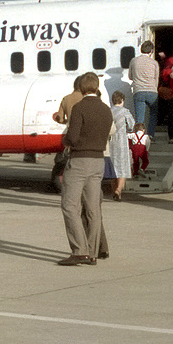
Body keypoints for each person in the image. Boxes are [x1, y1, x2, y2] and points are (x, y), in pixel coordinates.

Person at [58, 72, 114, 266]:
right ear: (97, 87)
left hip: (80, 160)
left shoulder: (79, 108)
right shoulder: (106, 110)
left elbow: (72, 138)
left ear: (81, 88)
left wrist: (63, 140)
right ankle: (92, 252)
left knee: (70, 205)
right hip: (98, 161)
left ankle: (78, 250)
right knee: (93, 209)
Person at [49, 76, 85, 191]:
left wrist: (66, 121)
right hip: (83, 133)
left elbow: (59, 118)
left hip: (70, 132)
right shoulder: (85, 99)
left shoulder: (66, 99)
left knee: (63, 158)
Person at [128, 40, 159, 139]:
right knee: (153, 114)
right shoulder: (154, 63)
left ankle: (139, 136)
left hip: (139, 91)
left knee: (139, 117)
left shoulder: (134, 61)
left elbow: (130, 76)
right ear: (151, 51)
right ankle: (150, 135)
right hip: (152, 91)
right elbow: (156, 78)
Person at [107, 91, 134, 200]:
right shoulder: (125, 112)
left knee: (113, 167)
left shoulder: (108, 111)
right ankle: (119, 191)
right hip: (122, 141)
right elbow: (132, 125)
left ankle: (115, 191)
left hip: (111, 141)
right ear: (122, 100)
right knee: (122, 167)